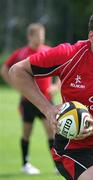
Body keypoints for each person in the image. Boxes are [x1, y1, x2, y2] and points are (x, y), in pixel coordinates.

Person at [9, 9, 93, 180]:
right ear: (92, 36)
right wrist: (47, 109)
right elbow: (17, 71)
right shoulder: (69, 55)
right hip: (71, 146)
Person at [0, 23, 56, 175]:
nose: (41, 38)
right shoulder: (22, 53)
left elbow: (63, 70)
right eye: (38, 35)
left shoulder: (49, 51)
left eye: (43, 35)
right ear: (30, 36)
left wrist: (56, 87)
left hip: (46, 101)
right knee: (26, 133)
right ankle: (25, 164)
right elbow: (5, 69)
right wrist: (15, 85)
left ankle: (57, 165)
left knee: (52, 133)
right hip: (28, 101)